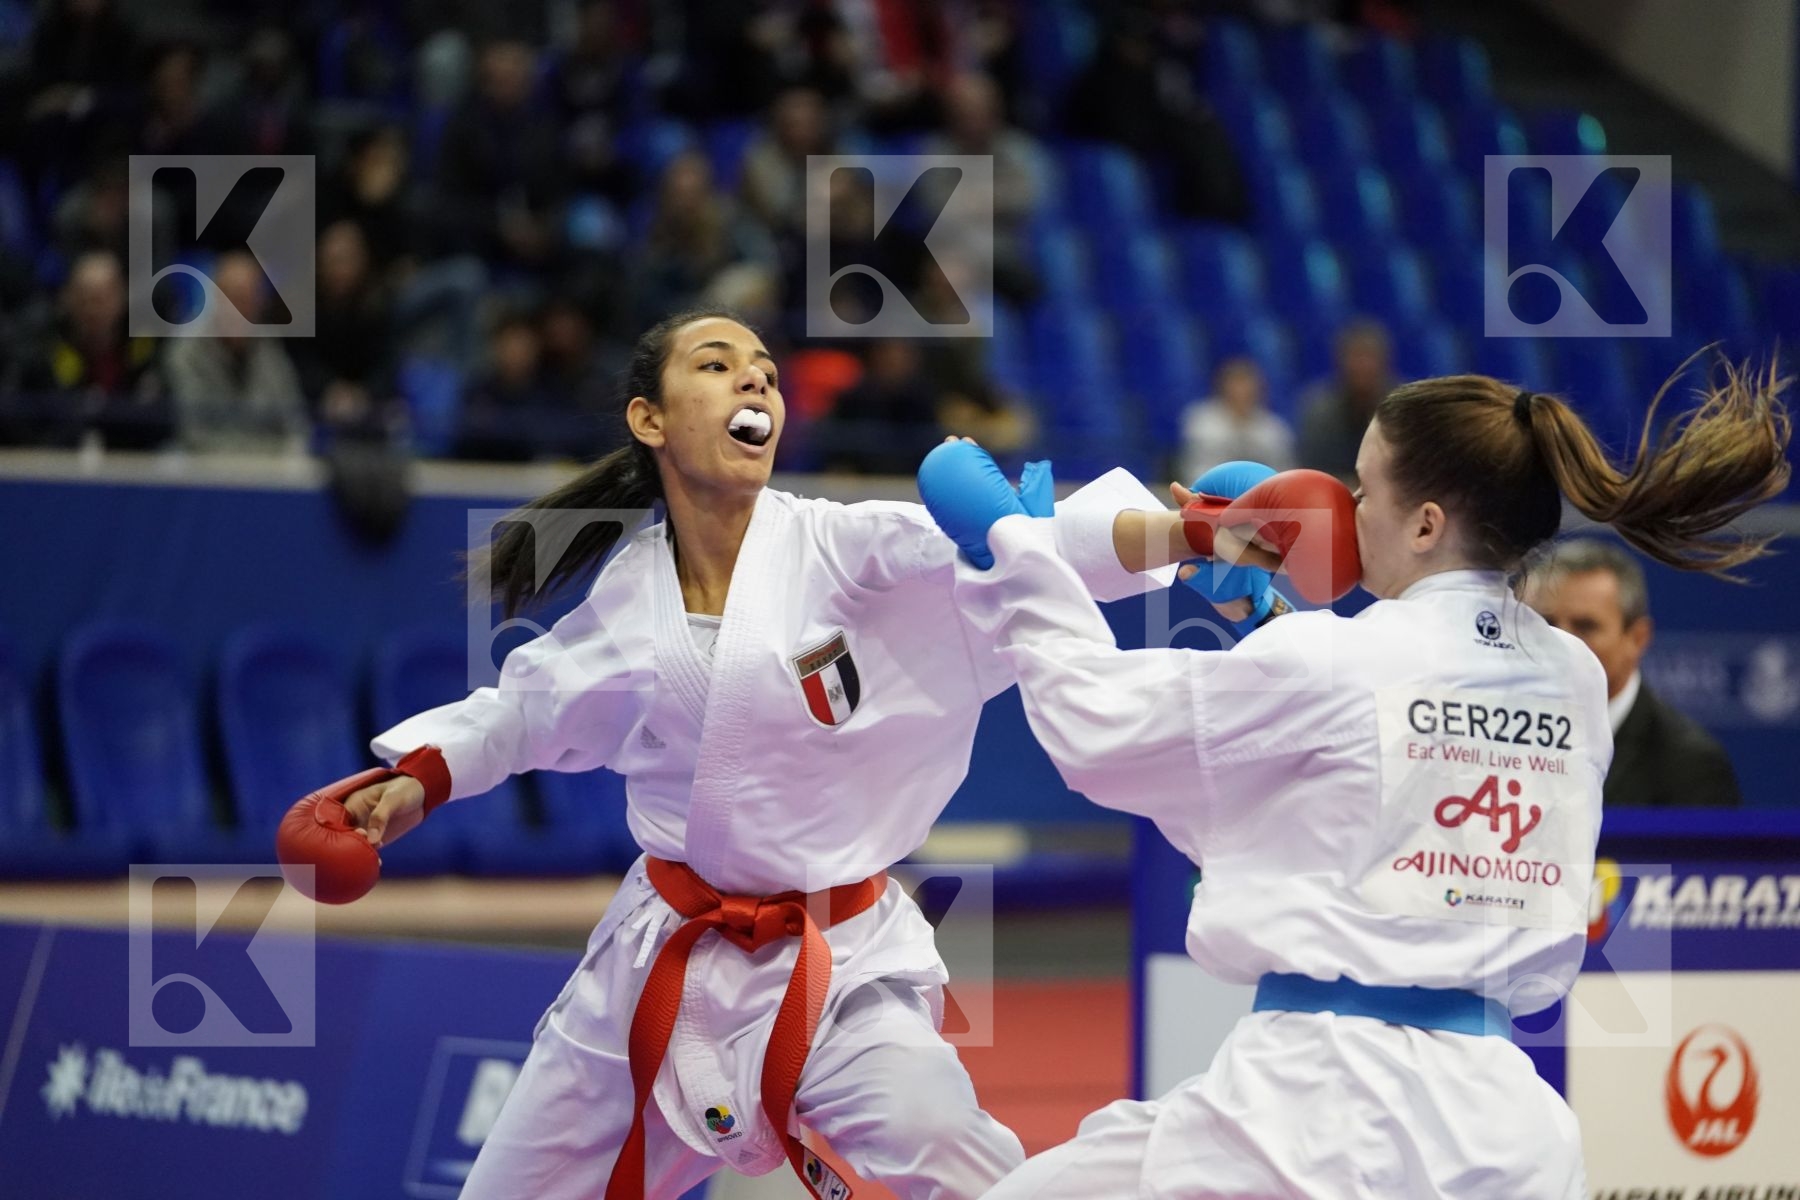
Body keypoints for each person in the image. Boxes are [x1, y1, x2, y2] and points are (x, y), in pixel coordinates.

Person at [295, 309, 1179, 1199]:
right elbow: (524, 711)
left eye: (763, 368)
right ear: (651, 421)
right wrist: (416, 778)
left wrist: (1194, 535)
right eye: (717, 366)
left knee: (959, 1158)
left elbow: (1033, 543)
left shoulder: (842, 544)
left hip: (840, 963)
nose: (755, 380)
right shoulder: (633, 595)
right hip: (660, 965)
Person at [917, 365, 1789, 1197]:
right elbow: (1356, 787)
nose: (1347, 504)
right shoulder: (1573, 677)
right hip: (1506, 1130)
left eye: (1365, 487)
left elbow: (1092, 724)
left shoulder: (1333, 659)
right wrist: (1269, 623)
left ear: (1424, 524)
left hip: (1315, 1109)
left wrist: (1019, 554)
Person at [1526, 537, 1743, 808]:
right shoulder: (1482, 732)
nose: (1561, 642)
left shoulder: (1691, 767)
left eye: (1585, 626)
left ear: (1637, 638)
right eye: (1545, 623)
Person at [162, 250, 310, 454]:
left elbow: (295, 424)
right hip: (205, 474)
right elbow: (195, 435)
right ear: (215, 297)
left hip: (270, 474)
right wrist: (266, 454)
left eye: (250, 298)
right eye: (233, 297)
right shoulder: (185, 350)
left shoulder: (268, 344)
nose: (240, 309)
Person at [1297, 317, 1394, 480]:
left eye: (1369, 357)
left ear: (1384, 362)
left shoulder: (1401, 410)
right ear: (1341, 361)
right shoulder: (1318, 411)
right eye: (1357, 357)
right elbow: (1313, 473)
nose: (1362, 366)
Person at [1177, 355, 1296, 483]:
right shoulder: (1201, 422)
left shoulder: (1275, 430)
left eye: (1247, 386)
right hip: (1209, 494)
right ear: (1223, 388)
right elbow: (1193, 470)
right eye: (1236, 385)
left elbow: (1283, 475)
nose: (1241, 392)